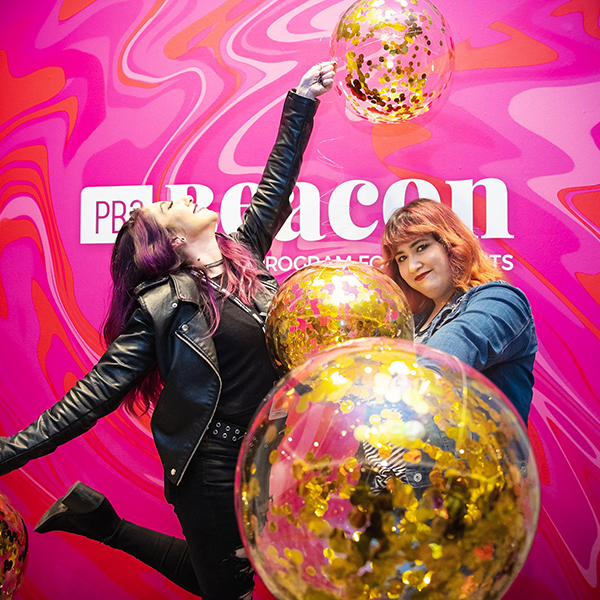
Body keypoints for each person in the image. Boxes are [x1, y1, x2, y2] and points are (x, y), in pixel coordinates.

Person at [0, 61, 336, 600]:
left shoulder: (244, 258)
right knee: (231, 590)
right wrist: (8, 452)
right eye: (173, 205)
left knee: (233, 579)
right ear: (171, 240)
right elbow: (93, 396)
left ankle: (101, 523)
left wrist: (302, 102)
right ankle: (102, 524)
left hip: (273, 452)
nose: (188, 198)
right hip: (213, 466)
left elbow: (277, 182)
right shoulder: (160, 305)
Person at [360, 197, 537, 492]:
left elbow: (446, 354)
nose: (413, 265)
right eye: (401, 258)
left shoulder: (500, 300)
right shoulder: (409, 325)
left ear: (451, 244)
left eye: (421, 247)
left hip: (463, 502)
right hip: (394, 502)